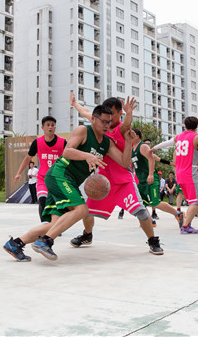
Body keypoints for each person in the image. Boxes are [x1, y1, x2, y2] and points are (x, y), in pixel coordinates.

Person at [4, 105, 133, 262]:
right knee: (82, 209)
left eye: (109, 122)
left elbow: (124, 162)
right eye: (104, 121)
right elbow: (67, 151)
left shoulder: (107, 142)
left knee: (54, 225)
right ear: (93, 119)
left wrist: (128, 142)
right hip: (60, 175)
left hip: (68, 182)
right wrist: (87, 156)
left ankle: (15, 244)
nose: (107, 125)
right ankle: (45, 242)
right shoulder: (83, 131)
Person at [68, 95, 164, 256]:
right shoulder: (100, 125)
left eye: (113, 113)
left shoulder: (122, 129)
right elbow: (86, 113)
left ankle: (152, 240)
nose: (109, 118)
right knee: (86, 211)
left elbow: (127, 123)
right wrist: (75, 104)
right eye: (107, 114)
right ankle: (87, 235)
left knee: (141, 211)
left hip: (123, 180)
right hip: (103, 180)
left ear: (120, 113)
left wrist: (129, 113)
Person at [153, 117, 198, 233]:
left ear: (185, 126)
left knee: (194, 199)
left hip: (180, 173)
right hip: (190, 173)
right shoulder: (197, 137)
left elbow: (167, 143)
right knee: (195, 201)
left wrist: (154, 148)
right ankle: (185, 226)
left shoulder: (179, 136)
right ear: (197, 126)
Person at [14, 116, 66, 221]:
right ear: (42, 127)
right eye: (48, 125)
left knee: (58, 205)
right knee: (42, 200)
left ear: (55, 128)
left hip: (57, 179)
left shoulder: (63, 142)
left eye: (52, 125)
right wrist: (19, 173)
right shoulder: (37, 142)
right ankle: (44, 225)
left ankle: (55, 225)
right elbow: (27, 158)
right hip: (43, 178)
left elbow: (71, 158)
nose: (50, 127)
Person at [130, 129, 183, 228]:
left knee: (155, 203)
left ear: (137, 136)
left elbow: (152, 159)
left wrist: (150, 174)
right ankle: (149, 221)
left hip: (150, 178)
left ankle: (178, 214)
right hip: (142, 181)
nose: (128, 135)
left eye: (130, 134)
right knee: (139, 203)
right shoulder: (132, 149)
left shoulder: (142, 146)